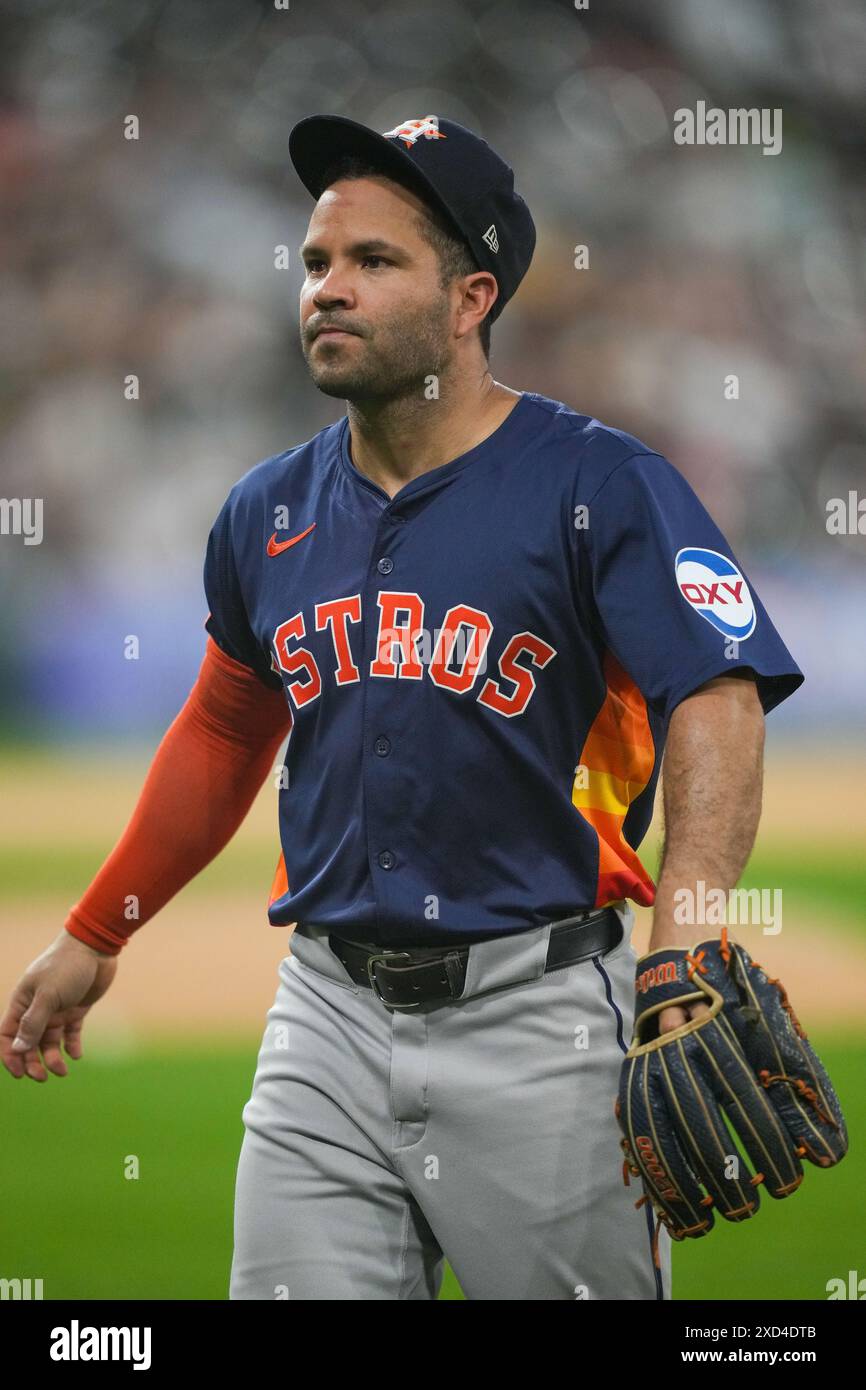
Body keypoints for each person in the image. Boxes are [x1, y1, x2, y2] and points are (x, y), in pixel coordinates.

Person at [0, 114, 803, 1300]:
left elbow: (716, 694)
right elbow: (227, 727)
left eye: (374, 263)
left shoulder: (597, 483)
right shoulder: (265, 510)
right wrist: (99, 926)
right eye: (317, 262)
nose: (328, 289)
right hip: (322, 1017)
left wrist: (683, 944)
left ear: (470, 297)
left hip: (539, 1022)